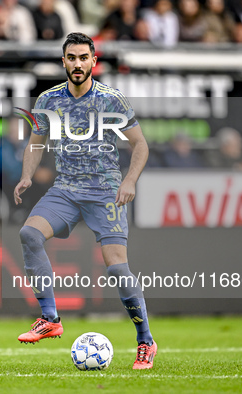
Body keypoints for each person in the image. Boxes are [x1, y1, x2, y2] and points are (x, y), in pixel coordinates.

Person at [14, 32, 157, 369]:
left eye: (83, 58)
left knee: (118, 268)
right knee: (29, 234)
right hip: (65, 190)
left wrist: (130, 180)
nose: (77, 64)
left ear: (94, 61)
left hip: (105, 191)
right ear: (63, 61)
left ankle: (145, 341)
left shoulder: (112, 100)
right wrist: (26, 175)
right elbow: (36, 143)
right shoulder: (48, 100)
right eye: (71, 58)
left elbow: (141, 145)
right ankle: (50, 318)